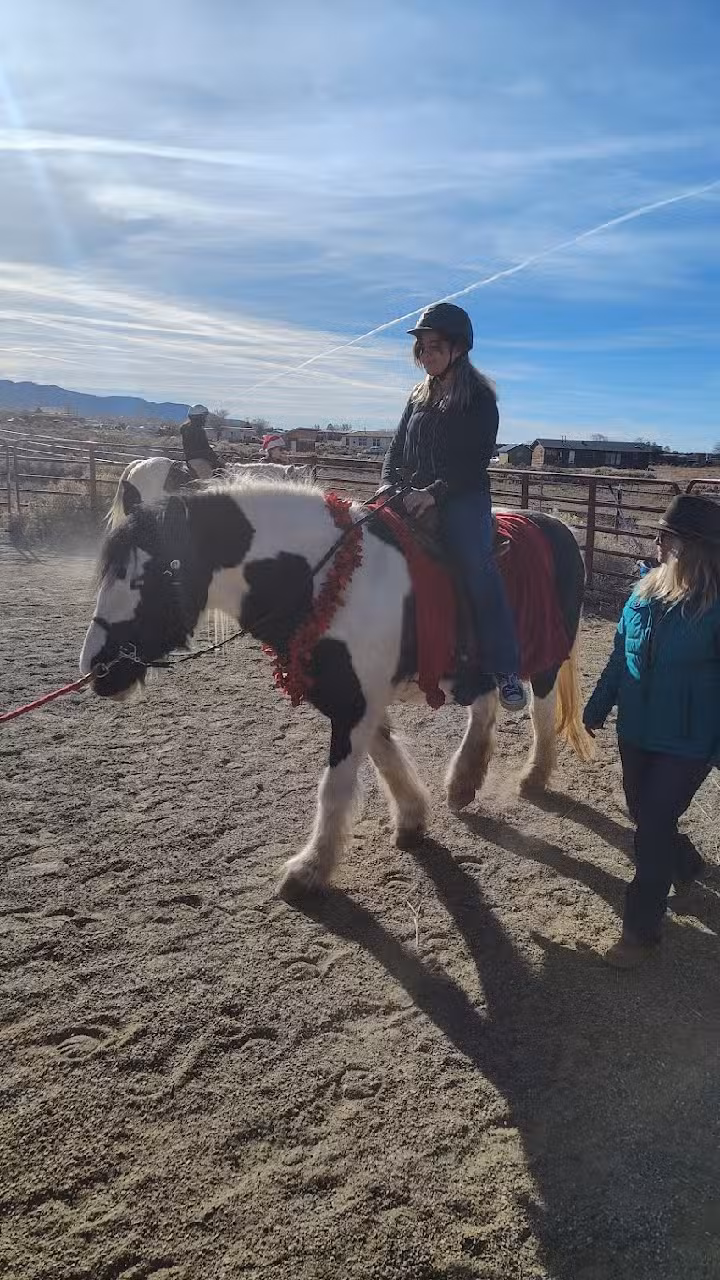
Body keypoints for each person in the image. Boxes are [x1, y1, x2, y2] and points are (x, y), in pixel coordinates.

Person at [584, 493, 720, 968]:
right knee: (645, 812)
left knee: (653, 825)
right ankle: (685, 862)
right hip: (637, 731)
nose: (656, 541)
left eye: (666, 535)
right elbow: (620, 655)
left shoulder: (715, 605)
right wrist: (597, 706)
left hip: (688, 739)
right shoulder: (643, 591)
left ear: (691, 547)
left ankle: (640, 931)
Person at [379, 302, 526, 711]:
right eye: (422, 347)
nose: (426, 354)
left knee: (476, 566)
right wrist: (388, 483)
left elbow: (473, 461)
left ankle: (505, 667)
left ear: (458, 348)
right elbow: (396, 447)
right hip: (410, 492)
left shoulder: (479, 398)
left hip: (462, 496)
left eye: (435, 346)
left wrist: (433, 493)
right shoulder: (418, 394)